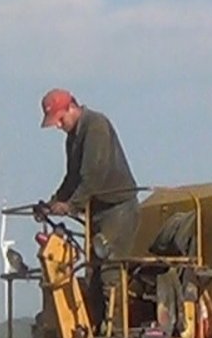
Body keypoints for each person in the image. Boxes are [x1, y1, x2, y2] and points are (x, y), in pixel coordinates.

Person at [40, 88, 140, 253]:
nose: (58, 126)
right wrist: (52, 204)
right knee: (93, 266)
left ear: (71, 107)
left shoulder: (96, 125)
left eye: (60, 119)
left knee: (110, 266)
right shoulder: (72, 138)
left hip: (118, 210)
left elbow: (94, 174)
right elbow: (72, 178)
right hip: (97, 211)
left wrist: (71, 206)